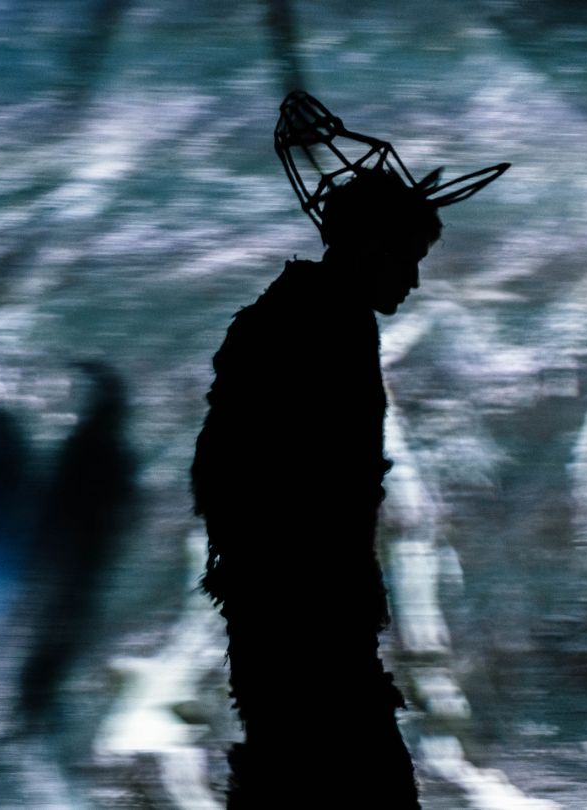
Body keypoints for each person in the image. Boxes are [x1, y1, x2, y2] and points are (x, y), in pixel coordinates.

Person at [191, 91, 507, 808]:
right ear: (369, 247)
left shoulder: (303, 318)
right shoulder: (322, 327)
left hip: (293, 612)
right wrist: (312, 591)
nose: (413, 279)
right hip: (303, 618)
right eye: (407, 257)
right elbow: (260, 479)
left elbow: (222, 473)